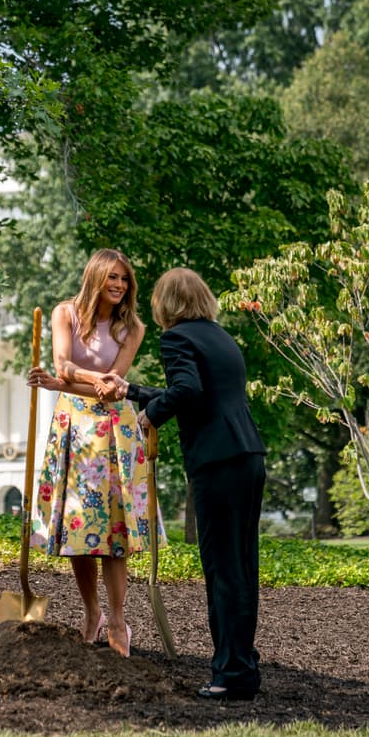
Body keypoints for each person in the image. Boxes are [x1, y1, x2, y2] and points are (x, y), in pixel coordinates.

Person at [102, 268, 266, 701]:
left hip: (217, 461)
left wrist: (151, 415)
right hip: (248, 454)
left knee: (221, 569)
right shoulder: (219, 336)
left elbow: (188, 392)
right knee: (242, 565)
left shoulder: (176, 338)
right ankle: (243, 668)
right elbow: (195, 390)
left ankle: (230, 673)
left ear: (165, 303)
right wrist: (134, 391)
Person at [26, 248, 159, 657]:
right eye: (112, 278)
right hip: (75, 430)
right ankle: (92, 613)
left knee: (114, 531)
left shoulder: (132, 327)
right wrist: (68, 379)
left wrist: (64, 382)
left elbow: (112, 387)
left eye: (124, 280)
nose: (119, 286)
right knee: (77, 529)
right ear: (96, 277)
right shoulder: (65, 313)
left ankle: (118, 619)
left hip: (115, 430)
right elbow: (63, 362)